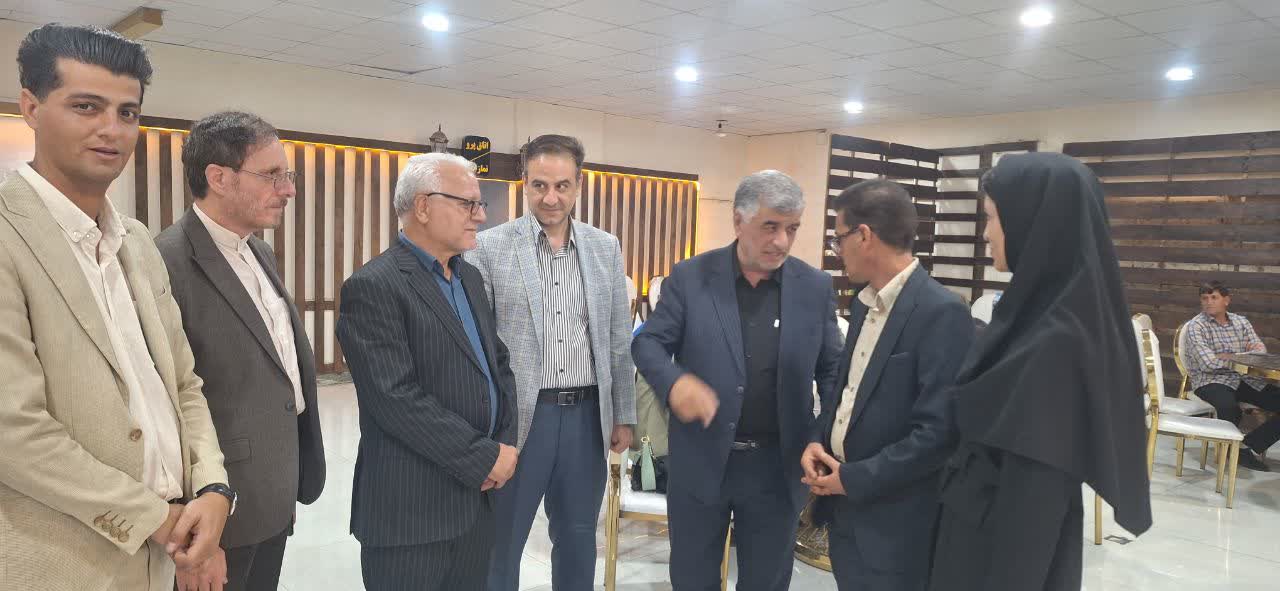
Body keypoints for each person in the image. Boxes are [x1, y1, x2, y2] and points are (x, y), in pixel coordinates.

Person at [0, 24, 231, 590]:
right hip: (60, 560)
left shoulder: (136, 241)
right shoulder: (8, 235)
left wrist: (212, 488)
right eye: (86, 106)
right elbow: (14, 431)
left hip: (161, 556)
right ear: (31, 107)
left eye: (128, 113)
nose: (112, 129)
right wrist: (155, 519)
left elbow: (183, 384)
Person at [929, 152, 1152, 591]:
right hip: (977, 526)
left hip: (997, 556)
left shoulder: (1057, 345)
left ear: (1034, 223)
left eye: (992, 218)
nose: (986, 233)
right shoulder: (1035, 316)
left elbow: (1032, 504)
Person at [632, 170, 843, 591]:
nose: (781, 241)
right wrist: (674, 383)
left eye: (792, 228)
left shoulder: (814, 286)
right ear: (738, 221)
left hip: (779, 466)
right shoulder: (691, 277)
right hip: (701, 459)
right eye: (770, 226)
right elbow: (648, 343)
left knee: (767, 581)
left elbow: (833, 370)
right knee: (692, 578)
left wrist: (822, 435)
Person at [156, 111, 326, 590]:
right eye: (272, 175)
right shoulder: (167, 261)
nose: (288, 190)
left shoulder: (258, 251)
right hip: (217, 506)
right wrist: (195, 534)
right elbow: (167, 404)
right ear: (219, 178)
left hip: (273, 488)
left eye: (288, 175)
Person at [336, 152, 518, 590]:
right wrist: (484, 457)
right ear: (422, 206)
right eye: (468, 204)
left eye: (479, 205)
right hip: (412, 514)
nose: (480, 216)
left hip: (476, 506)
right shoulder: (375, 286)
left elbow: (498, 366)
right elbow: (395, 399)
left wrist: (505, 443)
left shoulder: (468, 278)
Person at [464, 134, 635, 591]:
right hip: (521, 418)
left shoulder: (604, 247)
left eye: (562, 186)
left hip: (587, 418)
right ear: (524, 182)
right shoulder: (490, 247)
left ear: (579, 185)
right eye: (539, 185)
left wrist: (624, 413)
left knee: (578, 538)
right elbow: (480, 346)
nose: (551, 197)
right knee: (502, 541)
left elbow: (618, 338)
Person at [800, 180, 974, 590]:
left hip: (895, 526)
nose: (836, 250)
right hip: (845, 514)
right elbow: (847, 394)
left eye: (838, 239)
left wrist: (854, 479)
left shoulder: (941, 312)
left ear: (864, 236)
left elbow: (939, 433)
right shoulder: (865, 304)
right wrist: (818, 440)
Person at [1184, 281, 1279, 471]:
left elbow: (1260, 351)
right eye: (1204, 298)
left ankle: (1248, 446)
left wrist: (1230, 356)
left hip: (1243, 379)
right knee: (1229, 407)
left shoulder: (1241, 322)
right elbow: (1208, 363)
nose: (1209, 302)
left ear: (1226, 300)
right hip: (1210, 380)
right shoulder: (1196, 326)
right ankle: (1230, 451)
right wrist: (1241, 357)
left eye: (1214, 297)